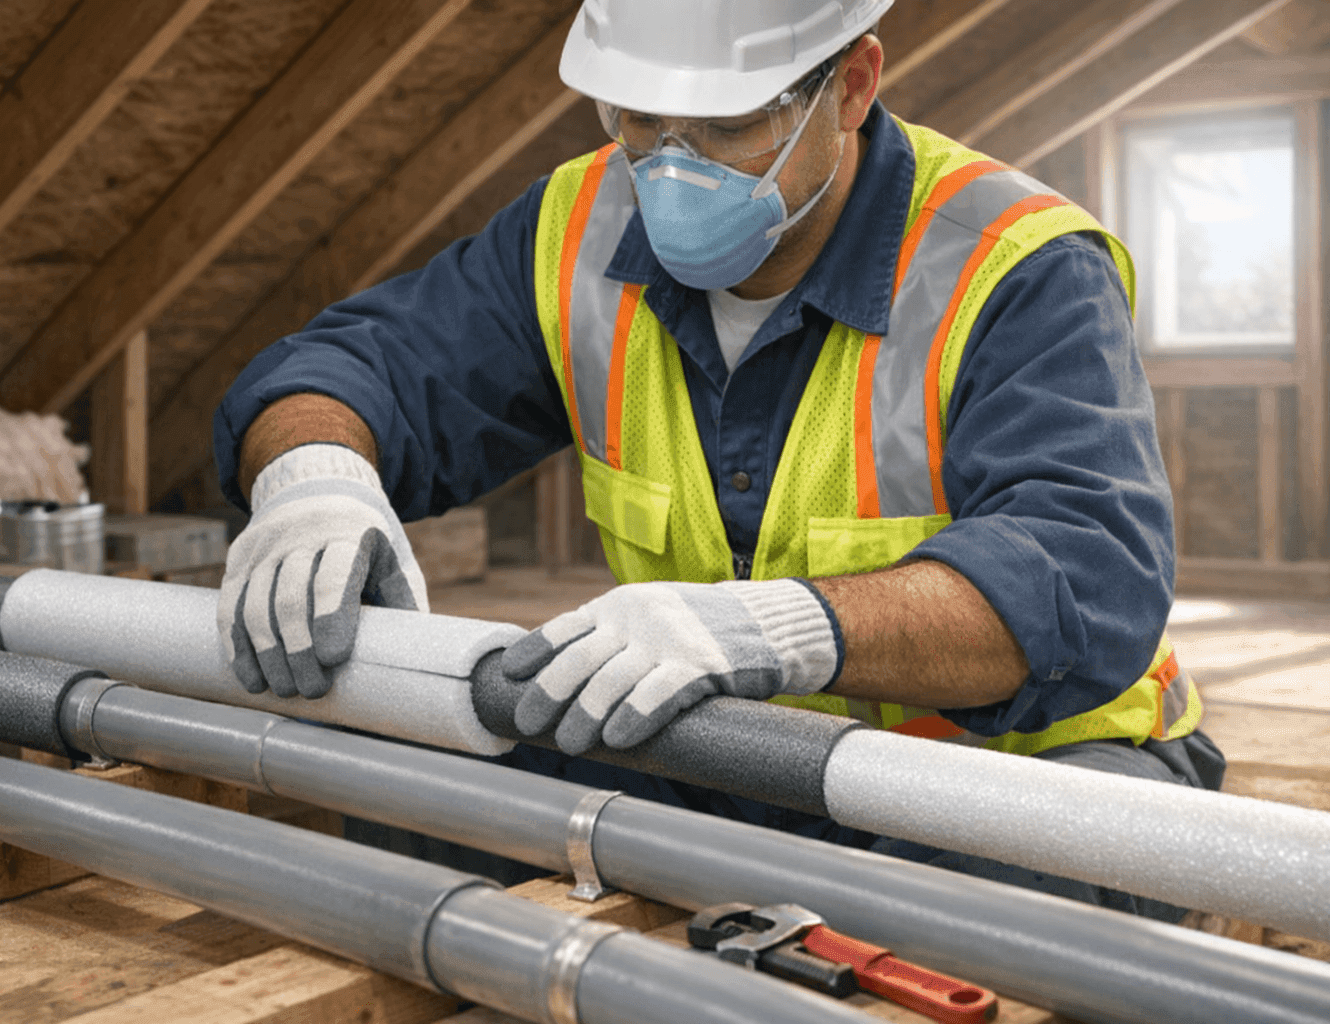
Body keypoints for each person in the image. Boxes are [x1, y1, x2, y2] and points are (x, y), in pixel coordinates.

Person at [213, 0, 1224, 919]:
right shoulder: (580, 224)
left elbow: (1085, 577)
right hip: (719, 750)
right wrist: (313, 476)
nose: (669, 167)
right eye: (638, 120)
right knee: (412, 773)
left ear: (855, 84)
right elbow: (360, 362)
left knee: (991, 920)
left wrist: (777, 627)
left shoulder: (1014, 261)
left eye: (728, 127)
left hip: (1005, 771)